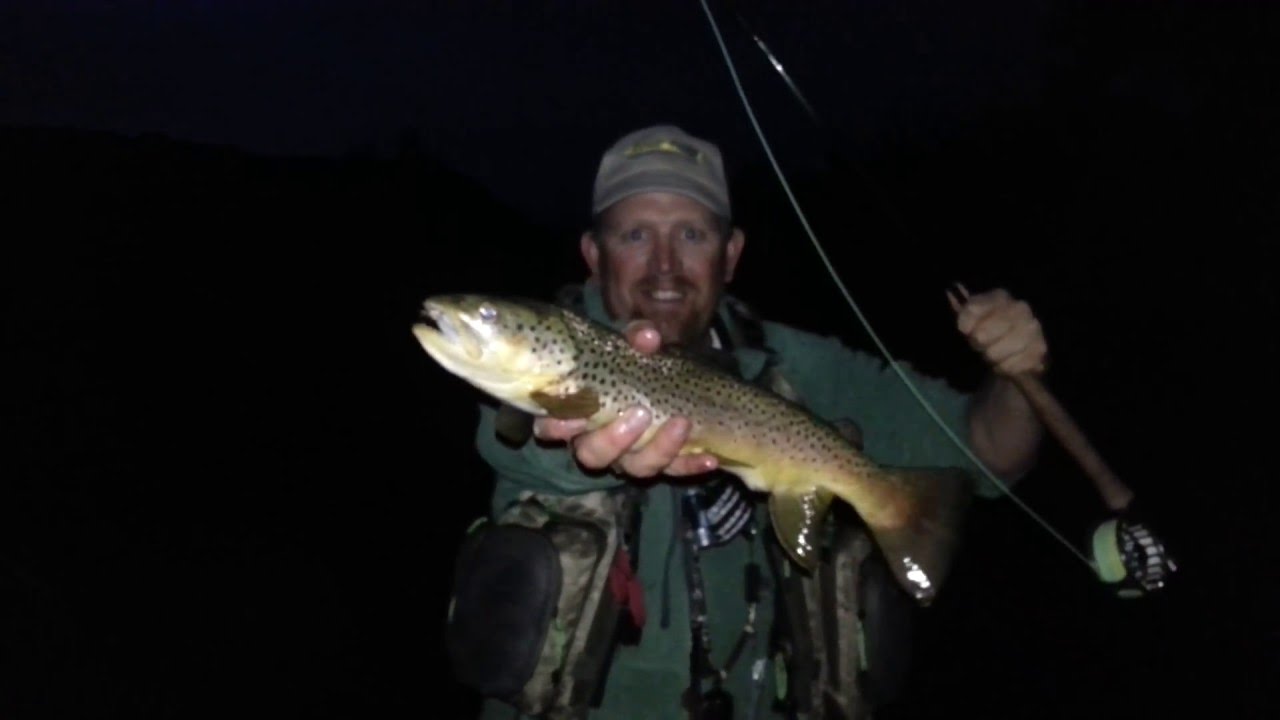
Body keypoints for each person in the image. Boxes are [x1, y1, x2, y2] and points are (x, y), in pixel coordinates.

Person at [450, 124, 1047, 720]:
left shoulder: (799, 367)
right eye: (635, 235)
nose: (664, 266)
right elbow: (515, 443)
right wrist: (569, 443)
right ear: (593, 256)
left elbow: (989, 450)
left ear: (731, 254)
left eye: (691, 234)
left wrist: (1016, 376)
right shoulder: (542, 367)